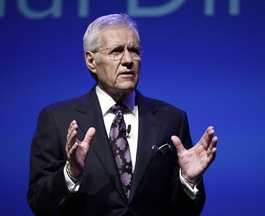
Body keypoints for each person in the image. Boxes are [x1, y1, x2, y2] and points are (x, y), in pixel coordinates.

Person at [27, 13, 218, 216]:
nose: (128, 60)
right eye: (116, 51)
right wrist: (70, 174)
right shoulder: (57, 119)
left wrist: (188, 181)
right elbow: (39, 203)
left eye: (134, 51)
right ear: (91, 60)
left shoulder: (171, 119)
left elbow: (187, 211)